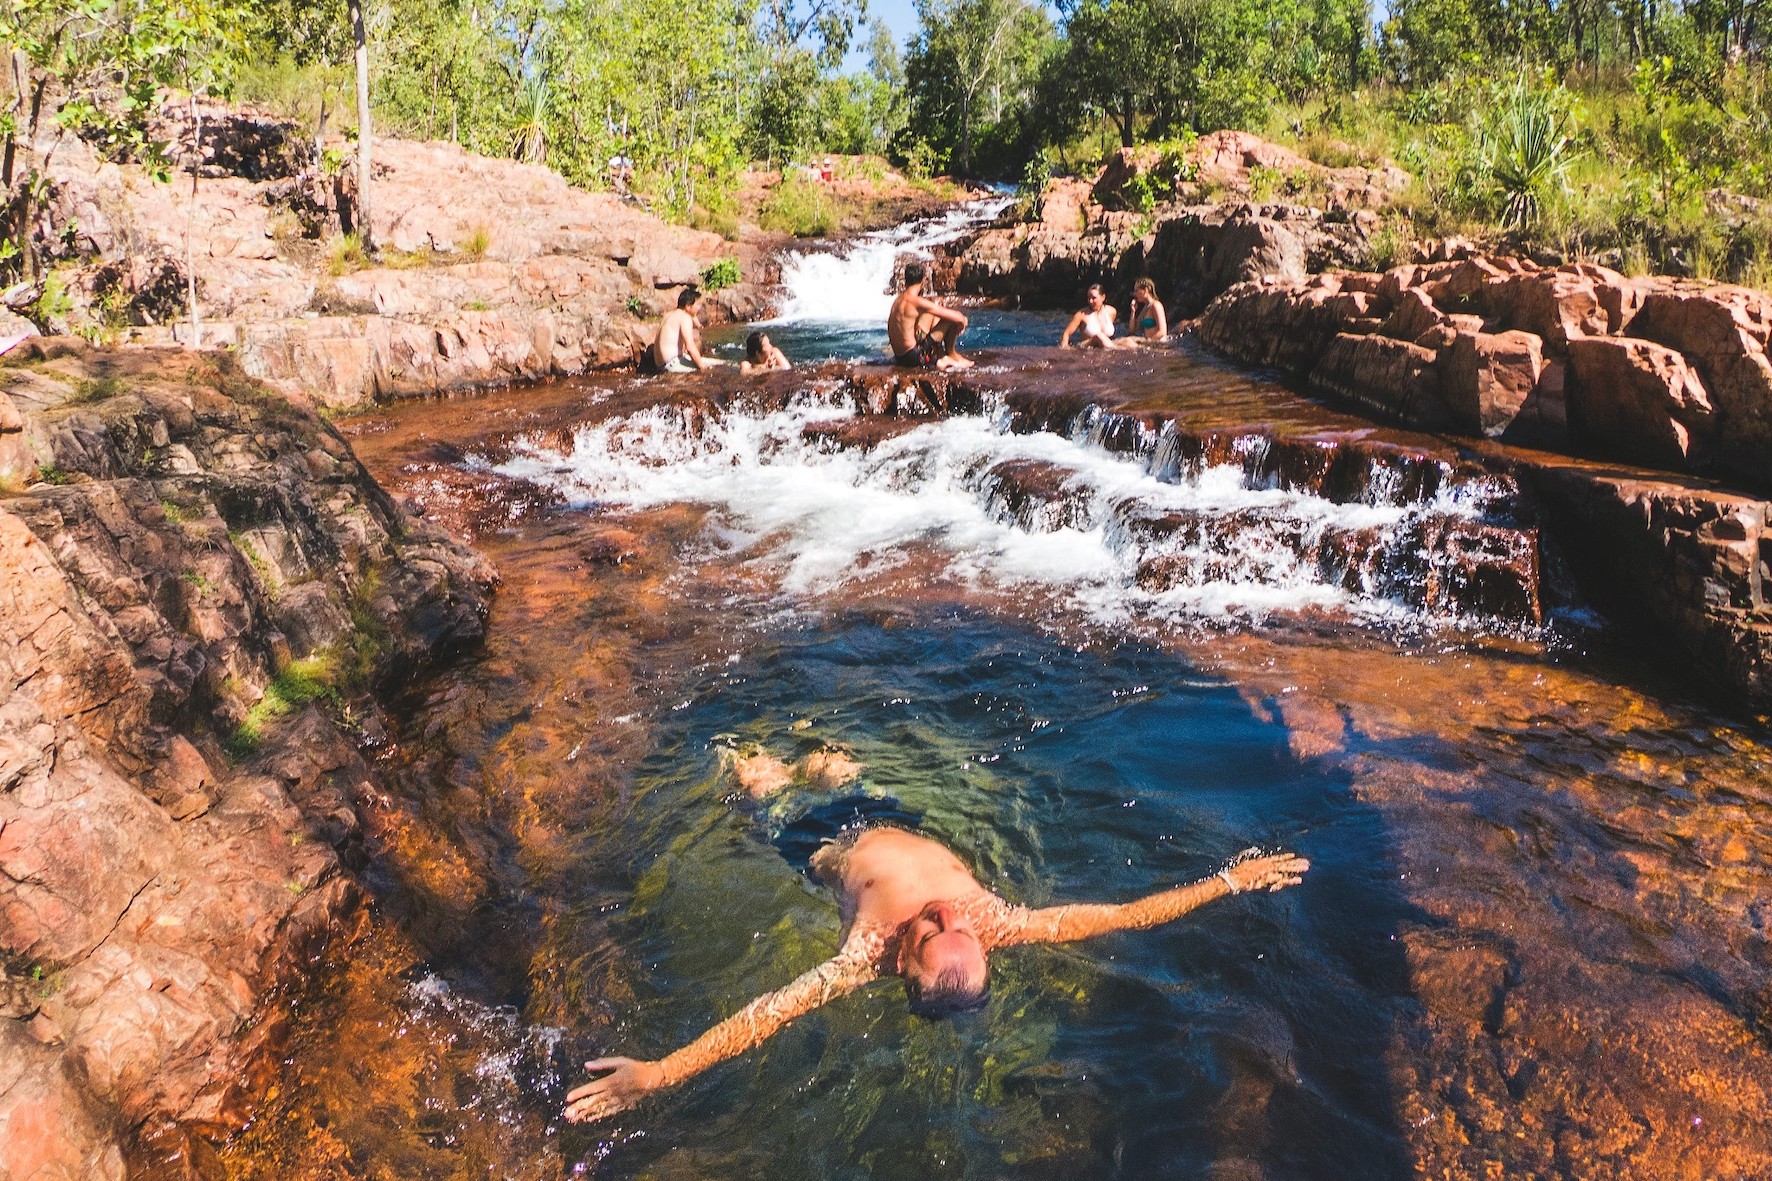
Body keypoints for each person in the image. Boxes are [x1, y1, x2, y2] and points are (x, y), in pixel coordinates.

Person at [563, 753, 1309, 1124]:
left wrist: (660, 1072)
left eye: (935, 928)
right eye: (956, 925)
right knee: (832, 757)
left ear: (901, 960)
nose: (949, 913)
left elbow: (768, 1014)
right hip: (875, 806)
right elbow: (1124, 913)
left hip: (816, 841)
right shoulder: (995, 919)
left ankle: (749, 768)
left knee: (749, 768)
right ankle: (818, 759)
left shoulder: (864, 952)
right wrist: (1227, 881)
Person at [887, 262, 973, 370]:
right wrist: (963, 321)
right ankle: (949, 356)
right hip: (915, 358)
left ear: (905, 280)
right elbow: (956, 317)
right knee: (950, 320)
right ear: (923, 281)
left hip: (900, 358)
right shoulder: (916, 301)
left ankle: (941, 355)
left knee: (931, 314)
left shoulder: (898, 300)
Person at [650, 287, 723, 374]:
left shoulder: (668, 314)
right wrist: (702, 367)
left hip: (660, 364)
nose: (699, 308)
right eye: (697, 304)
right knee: (719, 367)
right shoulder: (685, 317)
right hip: (672, 364)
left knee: (717, 363)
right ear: (688, 306)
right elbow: (690, 347)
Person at [1060, 284, 1134, 350]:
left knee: (1127, 341)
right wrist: (1065, 349)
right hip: (1087, 346)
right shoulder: (1081, 315)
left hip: (1107, 344)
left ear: (1103, 297)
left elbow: (1111, 336)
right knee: (1099, 336)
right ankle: (1119, 351)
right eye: (1089, 298)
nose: (1090, 301)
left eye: (1094, 298)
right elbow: (1066, 334)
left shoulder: (1111, 311)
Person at [1129, 276, 1169, 342]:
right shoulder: (1146, 307)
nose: (1134, 294)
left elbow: (1162, 332)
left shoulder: (1156, 305)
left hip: (1157, 344)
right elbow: (1132, 330)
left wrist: (1147, 342)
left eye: (1136, 291)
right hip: (1148, 342)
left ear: (1146, 290)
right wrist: (1133, 311)